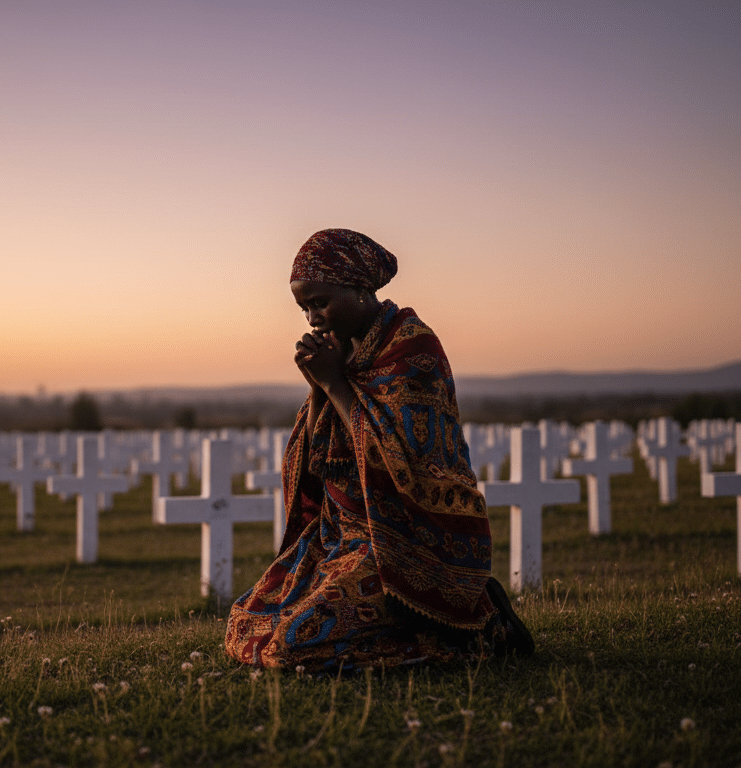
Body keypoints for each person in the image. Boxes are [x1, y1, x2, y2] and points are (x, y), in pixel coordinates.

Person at [223, 228, 532, 670]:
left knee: (292, 644)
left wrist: (334, 383)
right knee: (246, 622)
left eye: (320, 302)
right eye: (303, 307)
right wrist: (319, 388)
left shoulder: (412, 350)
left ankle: (482, 633)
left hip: (402, 540)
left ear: (361, 289)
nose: (312, 318)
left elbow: (400, 459)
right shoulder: (343, 352)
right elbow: (316, 460)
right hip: (337, 536)